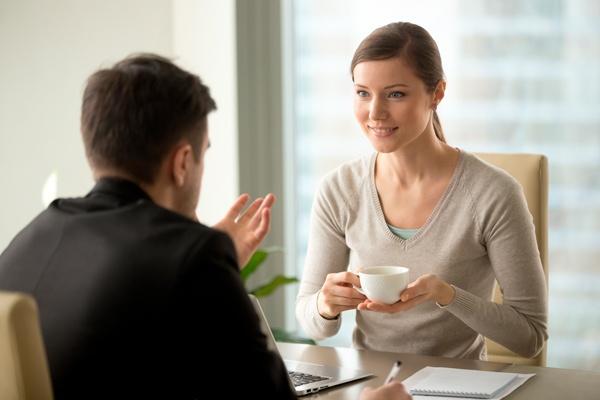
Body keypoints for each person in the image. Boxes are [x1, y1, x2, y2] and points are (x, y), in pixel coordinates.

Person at [0, 54, 411, 400]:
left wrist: (213, 259)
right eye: (203, 154)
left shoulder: (32, 236)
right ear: (182, 163)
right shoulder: (193, 256)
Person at [296, 22, 548, 361]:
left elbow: (530, 337)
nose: (375, 113)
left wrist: (447, 295)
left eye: (395, 94)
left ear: (437, 93)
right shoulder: (338, 190)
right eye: (362, 93)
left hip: (459, 388)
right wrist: (324, 306)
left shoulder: (494, 194)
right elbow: (314, 326)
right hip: (372, 388)